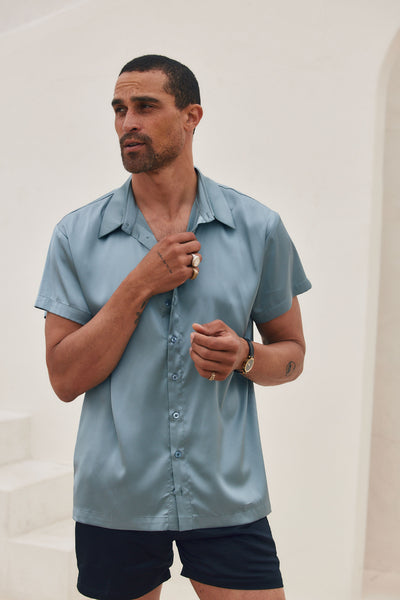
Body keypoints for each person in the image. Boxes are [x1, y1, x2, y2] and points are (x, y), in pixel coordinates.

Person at [35, 55, 311, 600]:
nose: (128, 123)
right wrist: (138, 285)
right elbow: (64, 379)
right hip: (116, 499)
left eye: (145, 106)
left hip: (225, 496)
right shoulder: (75, 235)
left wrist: (246, 356)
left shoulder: (258, 228)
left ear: (191, 116)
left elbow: (293, 354)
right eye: (119, 109)